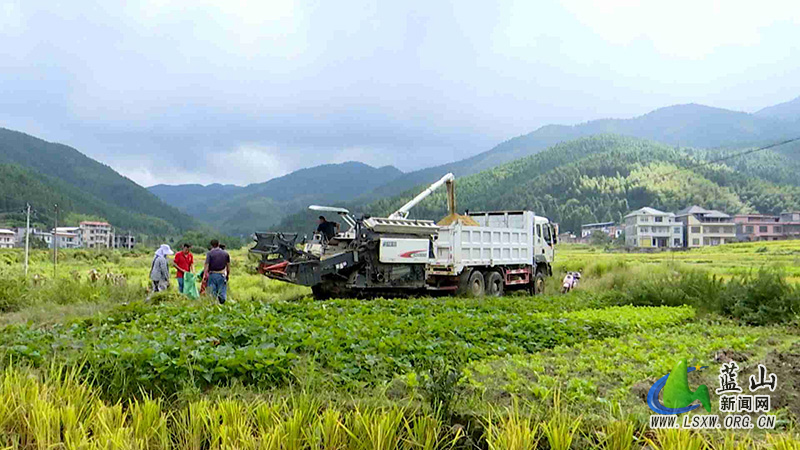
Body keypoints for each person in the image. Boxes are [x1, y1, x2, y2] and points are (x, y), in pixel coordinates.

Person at [204, 239, 230, 304]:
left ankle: (214, 306)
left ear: (211, 245)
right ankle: (222, 302)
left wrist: (205, 275)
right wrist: (227, 275)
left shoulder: (209, 254)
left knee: (212, 293)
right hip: (221, 274)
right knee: (222, 292)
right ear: (218, 244)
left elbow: (206, 265)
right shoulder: (225, 254)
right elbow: (228, 267)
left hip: (212, 275)